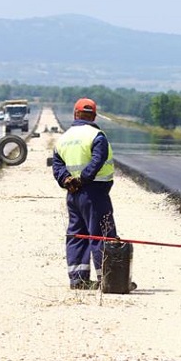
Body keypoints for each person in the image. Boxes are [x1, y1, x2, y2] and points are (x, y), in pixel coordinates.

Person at [52, 98, 119, 289]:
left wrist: (67, 180)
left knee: (77, 234)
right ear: (94, 115)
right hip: (95, 192)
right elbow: (97, 161)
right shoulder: (97, 136)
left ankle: (78, 279)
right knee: (101, 234)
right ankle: (108, 280)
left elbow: (57, 165)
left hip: (73, 195)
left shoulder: (63, 139)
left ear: (75, 114)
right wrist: (83, 179)